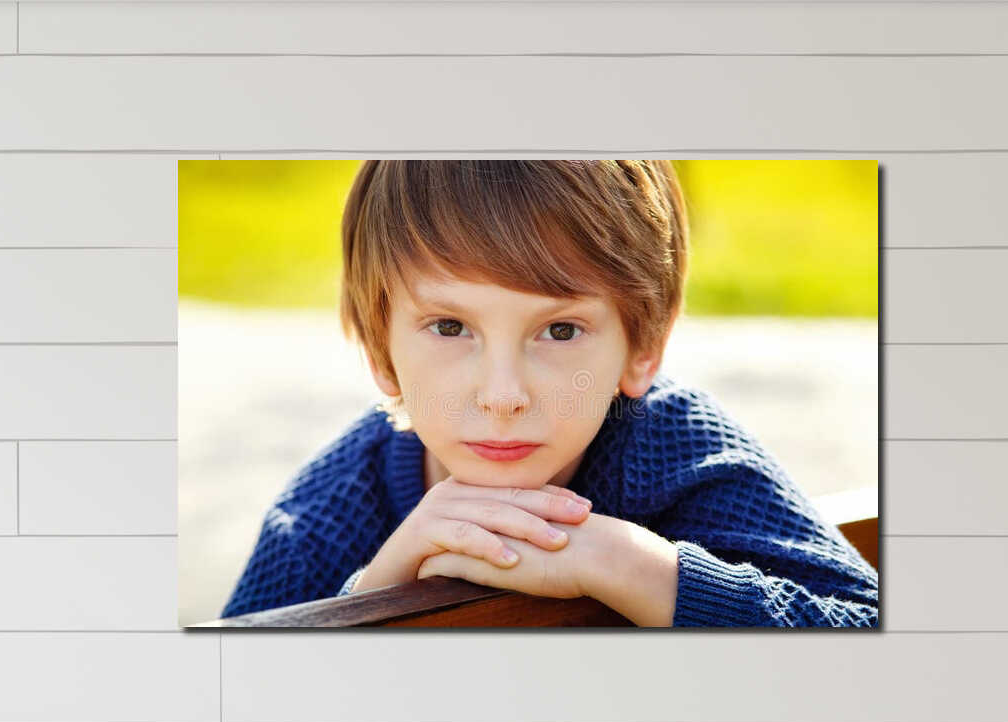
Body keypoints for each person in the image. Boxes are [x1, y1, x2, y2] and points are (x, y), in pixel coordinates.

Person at [219, 160, 877, 629]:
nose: (503, 396)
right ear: (380, 352)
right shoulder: (325, 518)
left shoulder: (677, 456)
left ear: (642, 347)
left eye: (559, 330)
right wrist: (375, 596)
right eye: (449, 327)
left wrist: (630, 565)